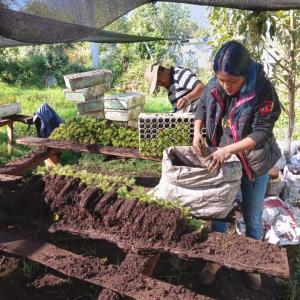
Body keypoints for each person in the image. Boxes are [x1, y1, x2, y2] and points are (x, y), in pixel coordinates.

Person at [192, 41, 281, 290]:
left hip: (253, 160)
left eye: (231, 82)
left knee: (252, 215)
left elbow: (261, 132)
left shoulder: (263, 90)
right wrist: (197, 133)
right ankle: (215, 260)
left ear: (244, 73)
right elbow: (200, 107)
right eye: (221, 80)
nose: (225, 86)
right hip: (224, 156)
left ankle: (251, 263)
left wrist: (227, 150)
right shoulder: (217, 82)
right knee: (219, 210)